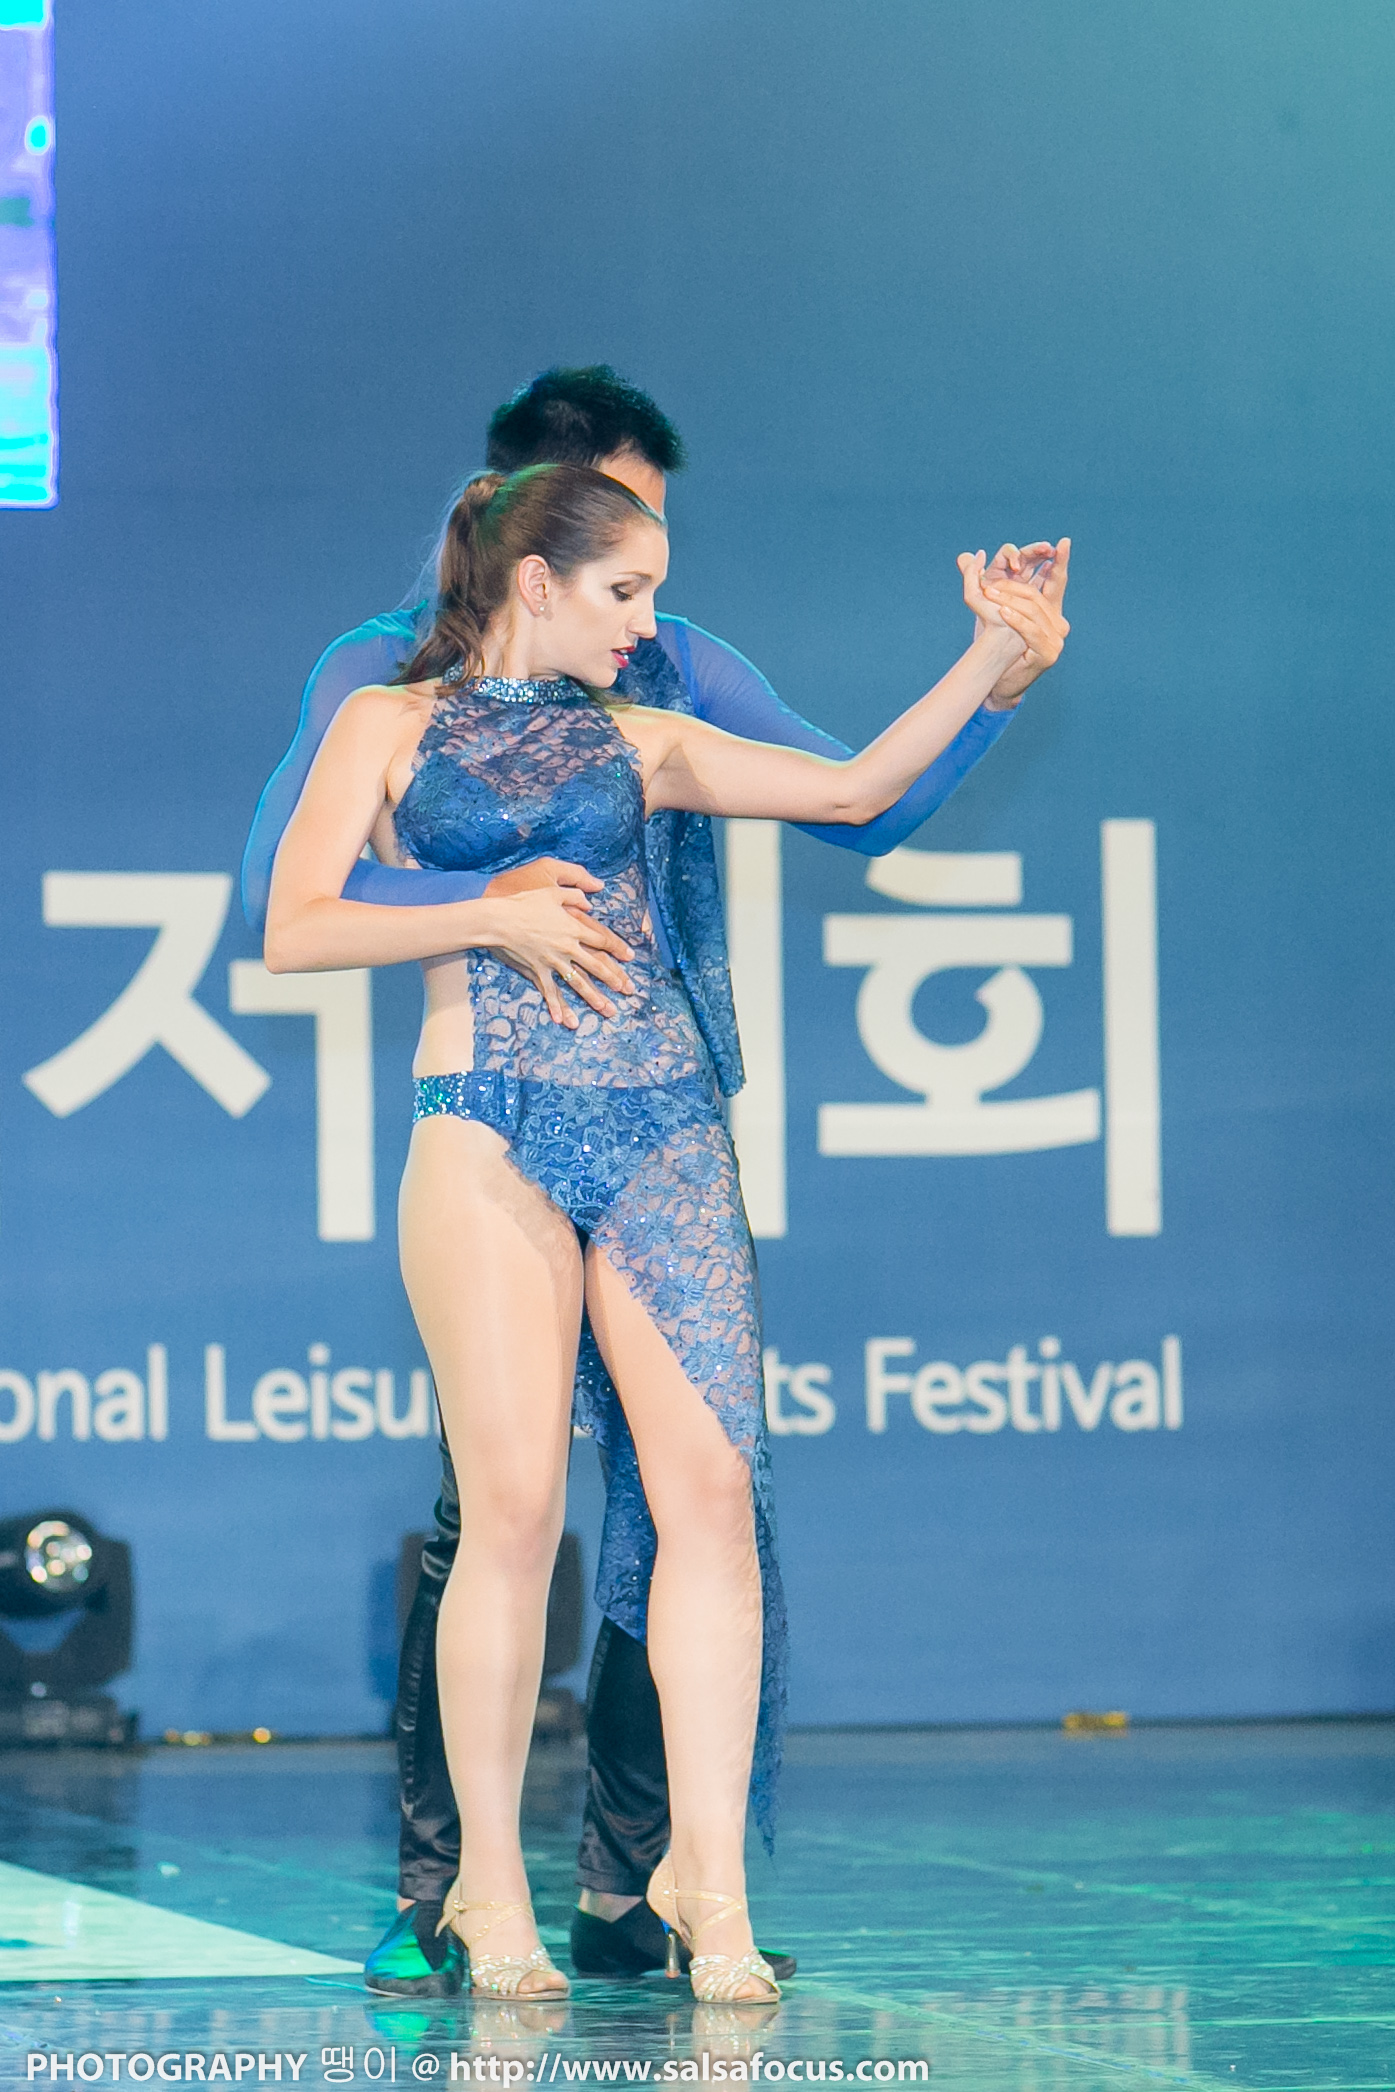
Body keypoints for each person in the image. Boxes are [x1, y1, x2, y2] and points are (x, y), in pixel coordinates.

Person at [241, 368, 1071, 1998]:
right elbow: (293, 922)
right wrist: (485, 914)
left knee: (709, 1498)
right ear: (537, 571)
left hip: (666, 1127)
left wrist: (993, 660)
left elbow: (852, 792)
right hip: (488, 1118)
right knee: (513, 1514)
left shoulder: (648, 728)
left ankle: (710, 1891)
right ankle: (485, 1894)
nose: (650, 622)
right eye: (626, 588)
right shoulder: (379, 713)